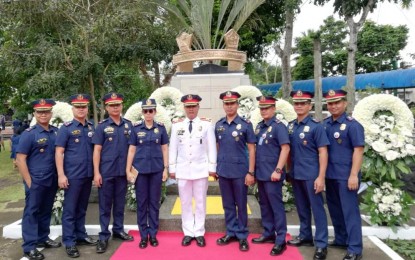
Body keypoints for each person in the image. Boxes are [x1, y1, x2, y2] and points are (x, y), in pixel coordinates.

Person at [169, 94, 217, 247]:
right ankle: (189, 232)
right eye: (188, 106)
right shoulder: (177, 125)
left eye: (193, 106)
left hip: (200, 169)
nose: (191, 109)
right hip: (183, 170)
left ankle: (200, 231)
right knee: (185, 202)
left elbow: (211, 148)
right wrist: (172, 167)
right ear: (184, 108)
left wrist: (212, 167)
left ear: (198, 107)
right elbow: (173, 148)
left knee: (201, 202)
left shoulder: (207, 125)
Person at [286, 90, 329, 260]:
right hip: (296, 174)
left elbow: (323, 152)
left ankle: (321, 244)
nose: (299, 106)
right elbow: (289, 151)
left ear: (309, 105)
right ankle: (305, 236)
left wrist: (321, 177)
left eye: (302, 103)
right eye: (296, 103)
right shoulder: (291, 126)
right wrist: (289, 171)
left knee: (317, 210)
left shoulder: (316, 126)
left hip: (312, 175)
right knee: (302, 208)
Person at [16, 99, 61, 260]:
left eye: (46, 111)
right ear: (35, 114)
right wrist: (29, 181)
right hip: (35, 180)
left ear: (51, 113)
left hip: (51, 179)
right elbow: (20, 159)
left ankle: (43, 237)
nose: (43, 114)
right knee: (31, 212)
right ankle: (29, 246)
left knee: (46, 210)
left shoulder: (55, 132)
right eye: (40, 111)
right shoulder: (29, 134)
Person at [323, 90, 364, 260]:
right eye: (330, 103)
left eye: (337, 102)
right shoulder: (325, 124)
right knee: (335, 209)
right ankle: (341, 239)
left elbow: (358, 150)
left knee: (350, 212)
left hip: (347, 176)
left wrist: (354, 174)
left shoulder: (353, 125)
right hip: (330, 175)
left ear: (345, 103)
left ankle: (355, 248)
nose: (333, 106)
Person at [55, 94, 97, 258]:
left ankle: (80, 235)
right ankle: (69, 241)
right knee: (70, 210)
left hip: (87, 174)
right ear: (73, 109)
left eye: (84, 107)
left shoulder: (91, 127)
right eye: (78, 107)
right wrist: (61, 175)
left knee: (82, 208)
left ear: (87, 109)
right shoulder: (66, 128)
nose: (81, 109)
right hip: (72, 175)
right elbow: (59, 152)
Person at [92, 92, 134, 254]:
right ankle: (103, 236)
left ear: (122, 105)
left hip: (122, 173)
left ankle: (118, 230)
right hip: (107, 172)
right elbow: (97, 150)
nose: (115, 107)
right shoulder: (102, 126)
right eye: (112, 105)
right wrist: (96, 173)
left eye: (118, 104)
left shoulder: (129, 125)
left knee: (119, 204)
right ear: (106, 107)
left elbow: (133, 149)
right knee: (105, 206)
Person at [215, 91, 256, 252]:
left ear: (237, 105)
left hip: (240, 172)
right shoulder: (219, 125)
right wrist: (218, 167)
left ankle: (242, 235)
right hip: (224, 171)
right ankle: (230, 231)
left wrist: (251, 172)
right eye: (226, 103)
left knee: (241, 204)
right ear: (223, 105)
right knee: (227, 205)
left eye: (232, 103)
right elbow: (218, 147)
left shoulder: (246, 124)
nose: (229, 106)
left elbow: (252, 150)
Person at [126, 99, 169, 249]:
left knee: (154, 203)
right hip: (141, 172)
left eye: (151, 111)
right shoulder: (136, 128)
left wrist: (165, 168)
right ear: (142, 113)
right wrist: (127, 169)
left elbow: (164, 149)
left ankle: (153, 234)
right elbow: (131, 150)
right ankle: (144, 236)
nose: (148, 114)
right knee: (142, 203)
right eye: (146, 111)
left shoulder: (161, 129)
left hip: (157, 170)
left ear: (155, 112)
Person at [251, 96, 290, 256]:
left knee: (276, 206)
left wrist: (279, 170)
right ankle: (268, 233)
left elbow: (286, 148)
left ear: (274, 109)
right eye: (262, 108)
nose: (264, 111)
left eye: (267, 108)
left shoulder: (278, 126)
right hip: (261, 173)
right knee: (264, 205)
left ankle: (280, 239)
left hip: (273, 174)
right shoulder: (260, 127)